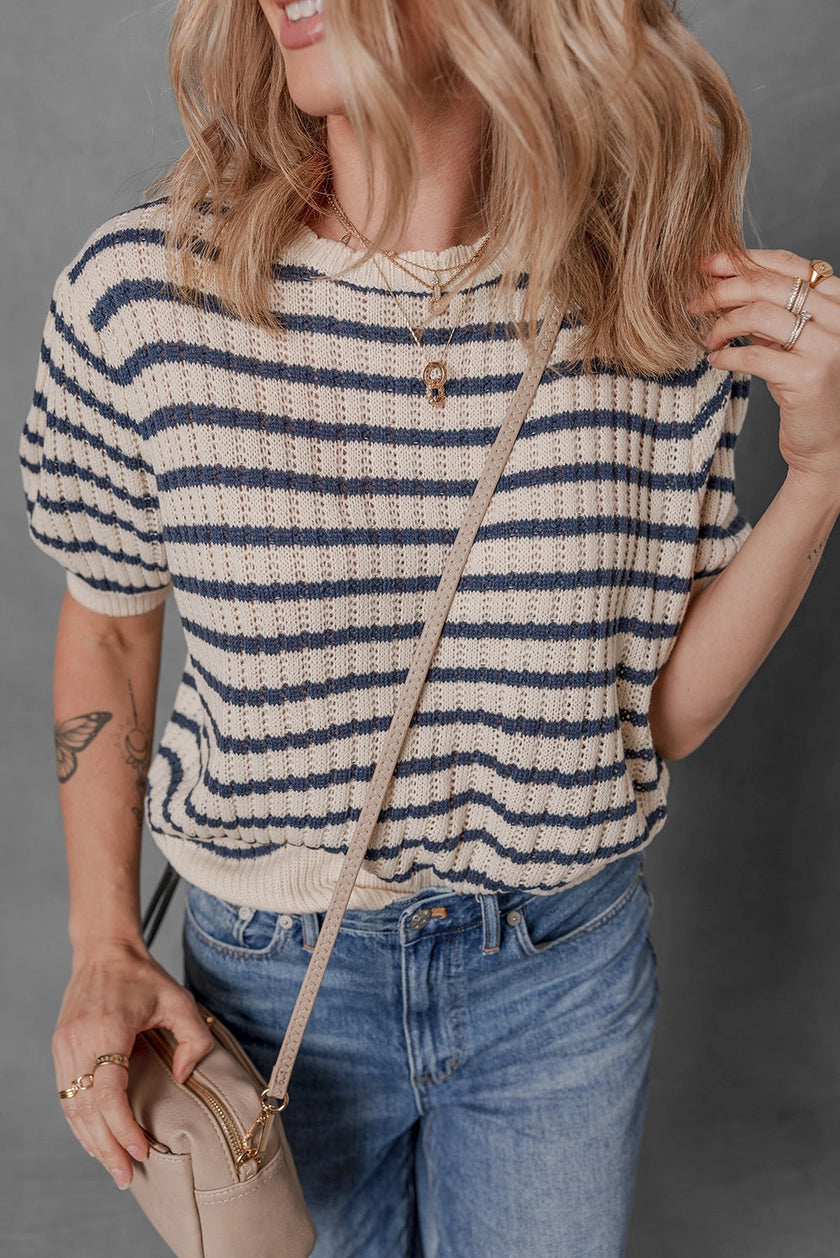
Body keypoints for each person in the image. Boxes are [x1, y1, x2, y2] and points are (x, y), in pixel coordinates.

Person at [20, 0, 840, 1254]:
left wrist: (823, 475)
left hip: (560, 973)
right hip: (277, 983)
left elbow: (655, 712)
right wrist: (103, 942)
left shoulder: (648, 303)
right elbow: (112, 628)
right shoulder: (146, 298)